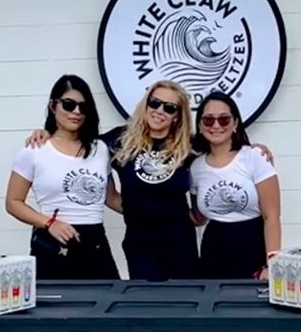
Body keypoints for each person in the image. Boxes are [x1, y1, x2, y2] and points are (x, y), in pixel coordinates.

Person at [5, 75, 120, 280]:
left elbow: (111, 198)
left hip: (95, 242)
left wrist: (158, 211)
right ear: (53, 106)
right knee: (55, 300)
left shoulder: (100, 149)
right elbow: (13, 202)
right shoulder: (34, 150)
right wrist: (49, 223)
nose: (76, 112)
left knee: (107, 298)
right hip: (53, 240)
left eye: (83, 107)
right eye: (68, 105)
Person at [105, 80, 198, 281]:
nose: (159, 111)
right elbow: (77, 146)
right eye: (154, 103)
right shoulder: (120, 140)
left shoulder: (190, 145)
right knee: (146, 299)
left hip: (180, 246)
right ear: (146, 104)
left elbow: (226, 151)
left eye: (169, 108)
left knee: (186, 300)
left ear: (177, 116)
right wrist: (45, 134)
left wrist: (254, 149)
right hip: (140, 247)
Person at [190, 91, 281, 280]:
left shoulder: (255, 157)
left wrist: (271, 264)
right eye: (208, 120)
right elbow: (199, 218)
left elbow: (271, 216)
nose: (216, 125)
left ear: (235, 123)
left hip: (253, 246)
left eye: (224, 119)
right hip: (213, 252)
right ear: (200, 125)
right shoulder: (196, 167)